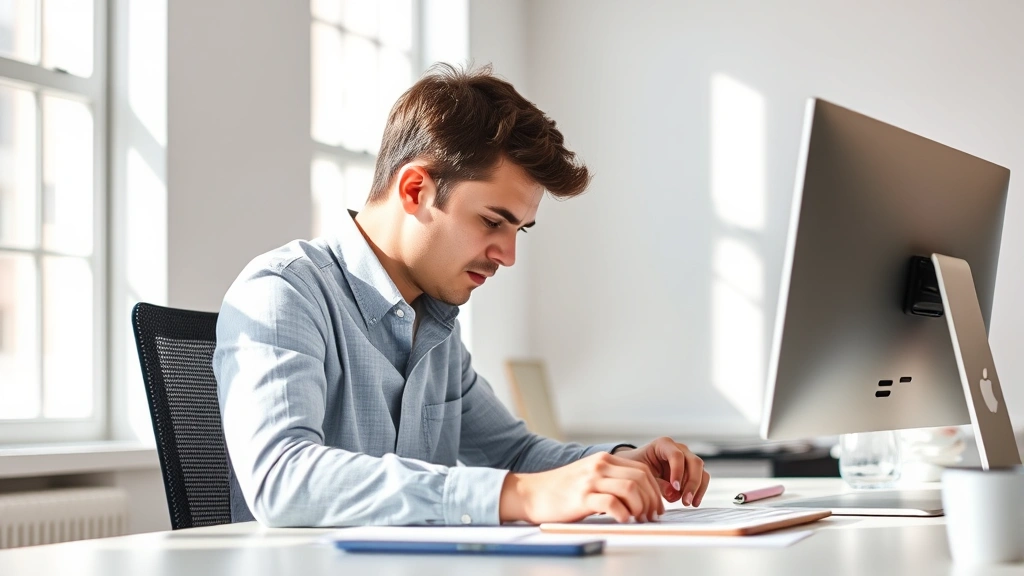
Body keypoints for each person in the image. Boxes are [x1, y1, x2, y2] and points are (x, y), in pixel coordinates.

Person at [213, 63, 710, 528]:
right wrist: (518, 496)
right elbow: (281, 478)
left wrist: (616, 464)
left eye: (521, 229)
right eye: (493, 221)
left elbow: (513, 456)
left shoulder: (435, 324)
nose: (508, 255)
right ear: (414, 190)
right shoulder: (282, 293)